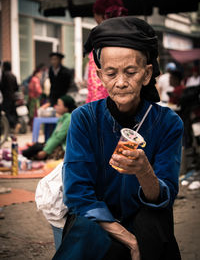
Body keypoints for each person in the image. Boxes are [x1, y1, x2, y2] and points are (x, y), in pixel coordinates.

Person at [53, 17, 183, 260]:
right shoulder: (84, 119)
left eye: (131, 72)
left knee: (153, 226)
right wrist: (130, 241)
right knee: (90, 233)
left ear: (146, 75)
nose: (121, 83)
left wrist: (145, 172)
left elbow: (165, 196)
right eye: (111, 73)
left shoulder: (168, 123)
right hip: (98, 219)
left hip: (146, 215)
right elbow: (78, 193)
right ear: (100, 76)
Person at [86, 0, 128, 103]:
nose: (95, 18)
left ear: (103, 16)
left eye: (95, 14)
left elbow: (96, 86)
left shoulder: (101, 40)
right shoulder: (127, 37)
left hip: (104, 106)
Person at [22, 95, 76, 160]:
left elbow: (58, 138)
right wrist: (46, 146)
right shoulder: (63, 118)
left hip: (63, 148)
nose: (56, 107)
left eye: (59, 105)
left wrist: (45, 151)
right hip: (56, 145)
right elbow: (54, 136)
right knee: (35, 147)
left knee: (33, 150)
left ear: (66, 107)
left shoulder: (69, 119)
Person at [0, 61, 19, 130]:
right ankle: (15, 125)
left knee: (5, 114)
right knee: (13, 112)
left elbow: (2, 86)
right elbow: (16, 88)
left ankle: (8, 128)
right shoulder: (13, 76)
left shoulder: (4, 75)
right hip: (13, 97)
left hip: (6, 98)